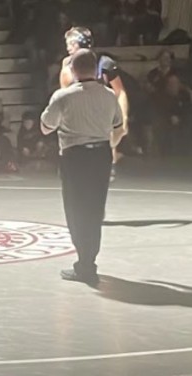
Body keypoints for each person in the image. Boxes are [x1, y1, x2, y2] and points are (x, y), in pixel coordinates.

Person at [42, 49, 125, 286]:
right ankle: (89, 260)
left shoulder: (64, 97)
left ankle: (85, 262)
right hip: (100, 155)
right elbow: (117, 123)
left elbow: (45, 126)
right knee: (95, 208)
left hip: (75, 157)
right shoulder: (109, 95)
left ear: (73, 70)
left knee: (76, 208)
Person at [59, 27, 129, 173]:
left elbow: (120, 91)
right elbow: (64, 96)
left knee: (111, 135)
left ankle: (108, 157)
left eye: (72, 43)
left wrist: (124, 117)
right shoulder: (67, 66)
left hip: (101, 110)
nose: (68, 47)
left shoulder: (104, 63)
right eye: (67, 43)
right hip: (80, 111)